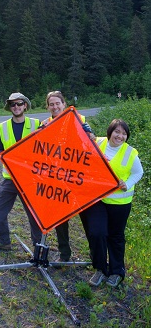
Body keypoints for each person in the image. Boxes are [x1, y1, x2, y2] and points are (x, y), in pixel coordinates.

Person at [80, 119, 143, 287]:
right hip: (97, 199)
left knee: (115, 236)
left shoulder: (130, 153)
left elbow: (138, 173)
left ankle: (116, 272)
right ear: (110, 132)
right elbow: (81, 142)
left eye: (124, 133)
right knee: (96, 233)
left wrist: (127, 184)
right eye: (117, 132)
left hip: (120, 204)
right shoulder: (98, 142)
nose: (120, 136)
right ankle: (100, 268)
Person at [41, 91, 94, 262]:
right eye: (51, 104)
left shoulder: (80, 120)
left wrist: (89, 135)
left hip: (78, 178)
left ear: (64, 104)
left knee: (86, 218)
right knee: (60, 220)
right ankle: (65, 255)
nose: (55, 107)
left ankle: (95, 255)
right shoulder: (45, 124)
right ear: (47, 107)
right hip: (57, 179)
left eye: (58, 103)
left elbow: (92, 143)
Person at [0, 92, 42, 250]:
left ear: (25, 105)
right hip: (10, 178)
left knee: (34, 216)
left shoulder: (36, 124)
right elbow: (0, 152)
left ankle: (38, 247)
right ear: (9, 107)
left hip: (30, 179)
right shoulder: (2, 127)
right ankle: (4, 240)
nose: (16, 107)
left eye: (19, 104)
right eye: (12, 104)